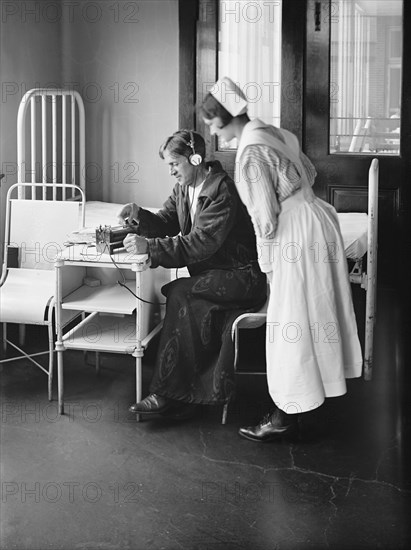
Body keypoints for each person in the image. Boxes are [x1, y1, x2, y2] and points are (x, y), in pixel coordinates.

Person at [200, 77, 363, 441]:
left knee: (289, 319)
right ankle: (315, 395)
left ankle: (287, 414)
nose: (212, 132)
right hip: (317, 219)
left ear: (226, 117)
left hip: (295, 233)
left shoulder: (250, 152)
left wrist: (268, 265)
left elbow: (264, 216)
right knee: (315, 311)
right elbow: (310, 172)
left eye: (213, 122)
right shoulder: (275, 133)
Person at [118, 129, 267, 419]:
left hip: (241, 275)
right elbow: (166, 221)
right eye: (169, 166)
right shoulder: (184, 188)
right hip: (216, 273)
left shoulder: (221, 190)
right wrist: (138, 216)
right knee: (180, 293)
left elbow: (199, 243)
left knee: (180, 292)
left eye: (175, 164)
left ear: (195, 158)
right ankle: (180, 386)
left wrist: (149, 247)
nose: (172, 171)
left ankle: (167, 392)